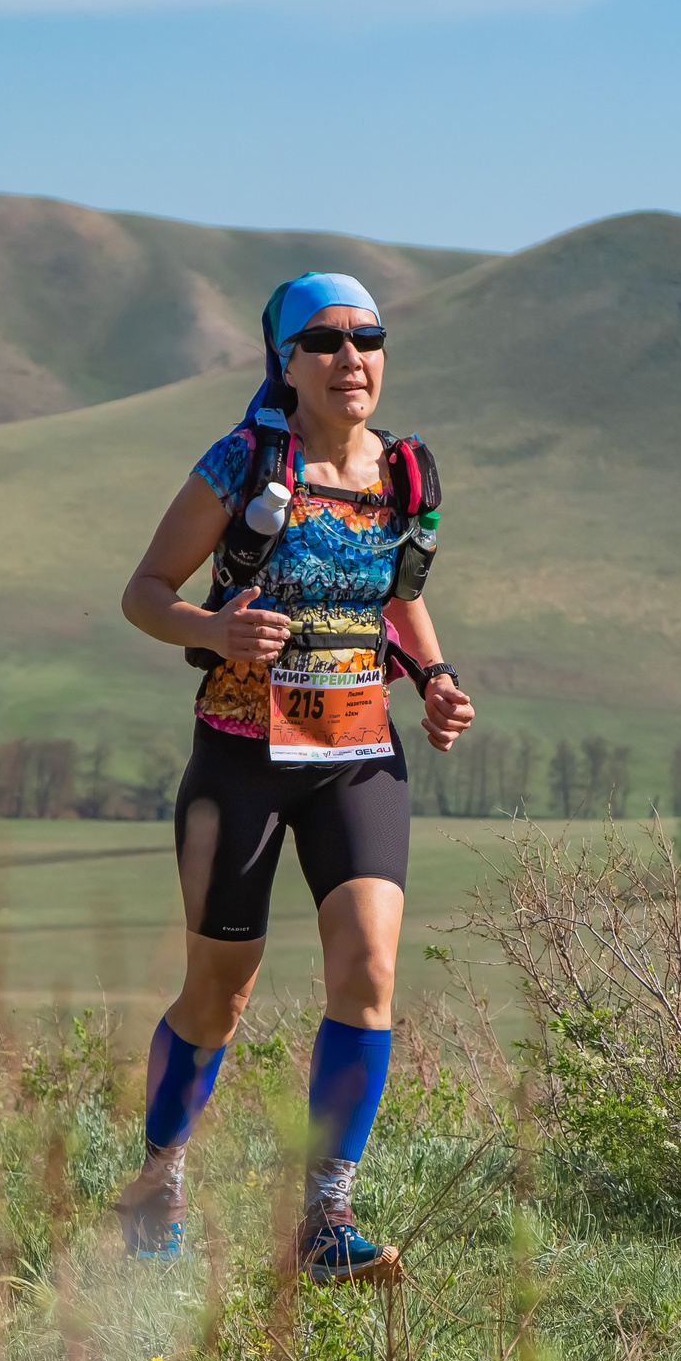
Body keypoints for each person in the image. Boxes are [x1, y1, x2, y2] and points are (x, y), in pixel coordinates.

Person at [116, 272, 474, 1283]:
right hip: (240, 757)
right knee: (217, 1000)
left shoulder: (407, 474)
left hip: (359, 754)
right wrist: (214, 628)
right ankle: (158, 1180)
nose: (350, 357)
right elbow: (145, 592)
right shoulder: (243, 462)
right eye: (324, 341)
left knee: (368, 970)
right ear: (286, 361)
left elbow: (399, 600)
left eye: (369, 337)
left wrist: (437, 679)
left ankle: (326, 1221)